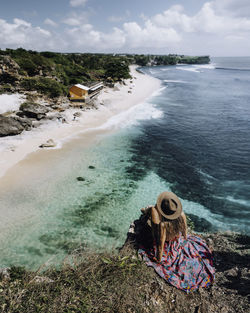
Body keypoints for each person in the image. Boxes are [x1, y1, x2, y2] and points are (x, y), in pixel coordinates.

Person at [138, 191, 215, 293]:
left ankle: (146, 211)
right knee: (153, 208)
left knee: (152, 208)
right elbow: (185, 233)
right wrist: (184, 242)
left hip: (167, 245)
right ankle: (146, 210)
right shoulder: (181, 214)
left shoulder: (163, 226)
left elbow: (160, 246)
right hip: (177, 242)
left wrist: (158, 260)